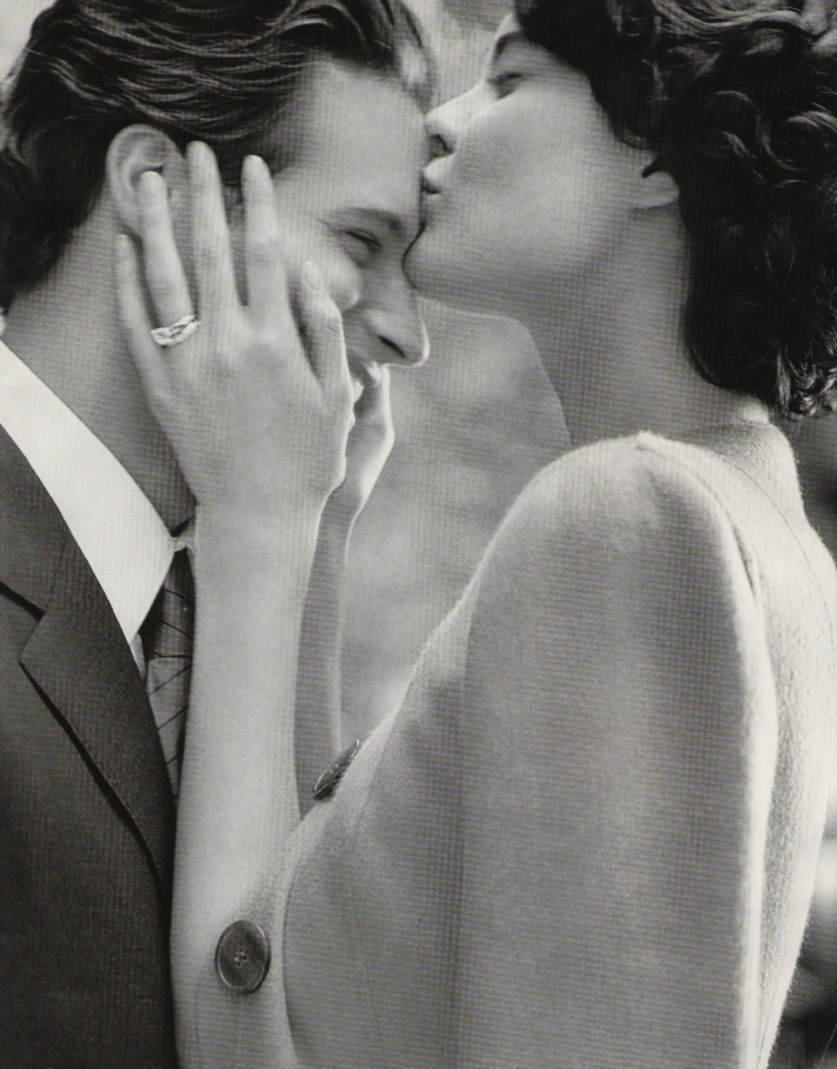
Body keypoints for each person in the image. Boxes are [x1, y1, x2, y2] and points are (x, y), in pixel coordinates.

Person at [120, 0, 837, 1066]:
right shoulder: (754, 523)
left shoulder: (628, 512)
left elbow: (239, 1018)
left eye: (509, 80)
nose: (440, 124)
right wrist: (318, 520)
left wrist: (253, 521)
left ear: (659, 152)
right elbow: (311, 946)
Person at [0, 0, 429, 1065]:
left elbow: (301, 1003)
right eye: (361, 241)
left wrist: (303, 529)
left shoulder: (224, 600)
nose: (407, 333)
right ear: (155, 185)